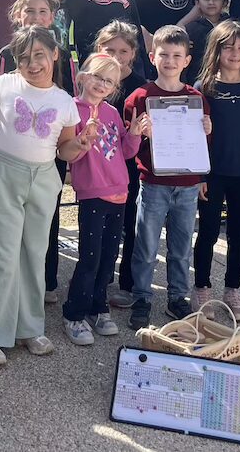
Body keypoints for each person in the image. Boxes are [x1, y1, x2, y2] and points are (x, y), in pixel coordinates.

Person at [0, 26, 91, 367]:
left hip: (43, 179)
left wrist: (79, 145)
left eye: (39, 55)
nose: (32, 64)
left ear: (55, 55)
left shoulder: (64, 100)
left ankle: (28, 327)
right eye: (24, 57)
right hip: (3, 174)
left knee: (33, 253)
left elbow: (64, 149)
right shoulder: (4, 84)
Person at [0, 0, 76, 303]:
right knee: (9, 224)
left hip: (51, 148)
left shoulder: (60, 54)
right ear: (17, 15)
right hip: (10, 151)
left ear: (52, 17)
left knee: (46, 219)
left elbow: (71, 99)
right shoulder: (6, 54)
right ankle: (10, 282)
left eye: (42, 11)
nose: (36, 17)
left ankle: (45, 281)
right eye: (29, 11)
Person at [123, 26, 212, 330]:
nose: (170, 61)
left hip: (187, 185)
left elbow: (202, 145)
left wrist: (207, 131)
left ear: (187, 60)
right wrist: (140, 134)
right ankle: (142, 297)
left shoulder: (196, 99)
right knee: (146, 244)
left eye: (177, 55)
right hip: (153, 183)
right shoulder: (140, 97)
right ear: (152, 57)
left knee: (181, 246)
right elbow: (129, 142)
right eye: (164, 55)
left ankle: (177, 297)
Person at [62, 54, 146, 345]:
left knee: (109, 257)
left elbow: (125, 152)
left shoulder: (111, 112)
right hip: (92, 193)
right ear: (83, 76)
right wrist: (82, 141)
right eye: (98, 77)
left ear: (114, 87)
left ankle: (98, 307)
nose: (102, 84)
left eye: (109, 81)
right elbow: (71, 155)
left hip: (119, 192)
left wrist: (134, 133)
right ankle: (74, 313)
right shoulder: (72, 110)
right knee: (90, 256)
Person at [191, 21, 240, 319]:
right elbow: (194, 137)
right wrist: (200, 175)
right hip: (212, 174)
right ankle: (202, 287)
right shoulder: (204, 88)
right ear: (216, 50)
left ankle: (232, 289)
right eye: (228, 48)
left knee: (238, 234)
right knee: (208, 232)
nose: (235, 53)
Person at [94, 21, 149, 311]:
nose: (116, 56)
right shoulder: (92, 82)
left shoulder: (142, 87)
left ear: (133, 53)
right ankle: (97, 278)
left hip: (131, 166)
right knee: (99, 226)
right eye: (109, 50)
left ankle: (127, 283)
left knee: (130, 224)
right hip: (98, 166)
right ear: (98, 50)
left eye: (123, 51)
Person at [183, 0, 230, 85]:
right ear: (197, 2)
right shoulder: (190, 30)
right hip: (198, 82)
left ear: (225, 2)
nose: (211, 2)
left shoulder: (233, 27)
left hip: (227, 81)